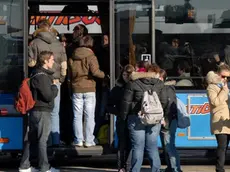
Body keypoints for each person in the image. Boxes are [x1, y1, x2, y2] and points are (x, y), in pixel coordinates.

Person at [120, 62, 167, 172]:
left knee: (138, 147)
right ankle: (156, 170)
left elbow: (126, 103)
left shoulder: (133, 83)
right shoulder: (160, 83)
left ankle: (135, 170)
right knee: (152, 146)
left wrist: (124, 117)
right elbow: (164, 101)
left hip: (136, 118)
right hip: (154, 118)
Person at [28, 19, 67, 147]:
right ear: (50, 28)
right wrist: (60, 79)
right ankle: (55, 140)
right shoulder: (59, 43)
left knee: (40, 111)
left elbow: (31, 63)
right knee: (55, 112)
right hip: (55, 81)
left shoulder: (34, 43)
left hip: (39, 80)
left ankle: (43, 142)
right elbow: (64, 65)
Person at [19, 51, 59, 172]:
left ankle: (24, 166)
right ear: (45, 61)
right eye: (51, 59)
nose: (53, 61)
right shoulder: (42, 76)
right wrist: (54, 87)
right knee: (43, 140)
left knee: (31, 139)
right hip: (42, 111)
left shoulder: (36, 74)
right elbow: (47, 96)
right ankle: (44, 167)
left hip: (35, 111)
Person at [68, 35, 105, 147]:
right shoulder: (91, 56)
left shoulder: (72, 56)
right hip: (89, 88)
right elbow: (95, 72)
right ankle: (89, 140)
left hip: (76, 88)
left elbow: (69, 76)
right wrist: (104, 75)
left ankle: (78, 139)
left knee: (77, 116)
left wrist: (70, 88)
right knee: (89, 115)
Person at [107, 64, 135, 172]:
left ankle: (128, 166)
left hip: (132, 119)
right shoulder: (117, 89)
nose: (125, 77)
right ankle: (121, 167)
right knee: (122, 144)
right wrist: (118, 113)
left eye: (127, 75)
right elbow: (109, 105)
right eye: (123, 74)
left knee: (131, 144)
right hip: (122, 120)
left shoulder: (135, 87)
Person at [206, 64, 230, 172]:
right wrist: (224, 91)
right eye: (223, 76)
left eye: (228, 77)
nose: (225, 79)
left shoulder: (225, 86)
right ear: (218, 74)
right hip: (219, 120)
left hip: (227, 120)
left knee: (224, 147)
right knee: (222, 147)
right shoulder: (212, 86)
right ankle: (219, 169)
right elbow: (214, 102)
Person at [159, 69, 182, 172]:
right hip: (169, 120)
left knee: (169, 145)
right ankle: (171, 167)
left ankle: (176, 169)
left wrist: (164, 120)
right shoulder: (168, 88)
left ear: (162, 78)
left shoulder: (166, 89)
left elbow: (167, 106)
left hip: (168, 120)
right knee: (167, 145)